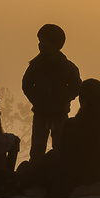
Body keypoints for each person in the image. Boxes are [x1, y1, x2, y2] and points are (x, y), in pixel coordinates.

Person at [20, 23, 82, 159]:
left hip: (60, 113)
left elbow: (76, 87)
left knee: (61, 147)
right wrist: (37, 100)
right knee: (37, 148)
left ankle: (58, 174)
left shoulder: (67, 67)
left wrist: (62, 98)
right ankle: (36, 174)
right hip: (41, 113)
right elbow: (26, 85)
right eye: (39, 41)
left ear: (55, 44)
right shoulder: (36, 65)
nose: (40, 45)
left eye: (43, 41)